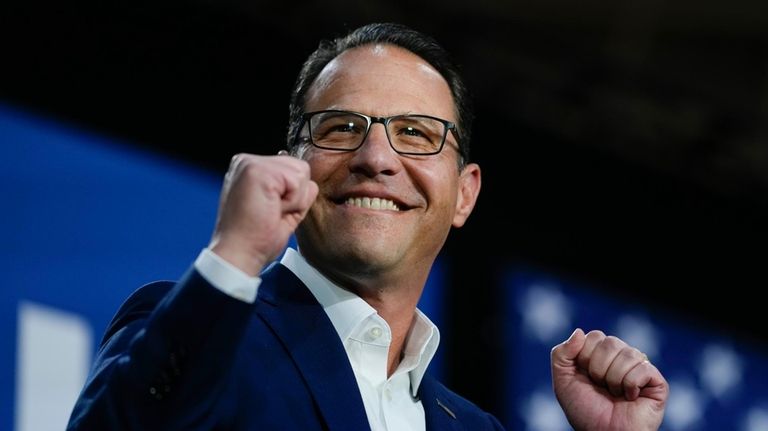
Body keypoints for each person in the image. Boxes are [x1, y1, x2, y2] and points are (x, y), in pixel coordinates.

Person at [66, 22, 668, 430]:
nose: (376, 158)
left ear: (464, 194)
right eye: (340, 127)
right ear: (293, 164)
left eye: (415, 133)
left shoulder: (473, 426)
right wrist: (233, 258)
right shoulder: (196, 332)